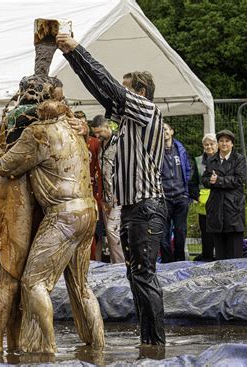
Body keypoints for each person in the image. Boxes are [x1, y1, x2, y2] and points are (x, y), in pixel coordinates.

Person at [56, 34, 167, 345]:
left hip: (147, 205)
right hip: (134, 207)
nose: (120, 97)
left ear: (141, 93)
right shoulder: (129, 120)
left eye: (127, 89)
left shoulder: (145, 110)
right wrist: (70, 57)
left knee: (143, 275)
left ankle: (156, 344)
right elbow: (101, 89)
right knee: (135, 276)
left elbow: (108, 84)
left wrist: (78, 48)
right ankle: (148, 343)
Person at [0, 99, 105, 353]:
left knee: (33, 282)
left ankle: (47, 347)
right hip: (88, 212)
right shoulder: (75, 129)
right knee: (82, 286)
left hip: (63, 215)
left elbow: (4, 166)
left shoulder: (37, 133)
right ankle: (98, 344)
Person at [0, 75, 61, 354]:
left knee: (16, 286)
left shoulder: (24, 120)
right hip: (15, 208)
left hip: (26, 207)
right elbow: (6, 168)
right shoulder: (24, 117)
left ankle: (11, 349)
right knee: (9, 284)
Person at [201, 130, 246, 260]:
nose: (224, 143)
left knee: (235, 255)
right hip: (216, 208)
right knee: (220, 255)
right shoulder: (211, 160)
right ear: (218, 143)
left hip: (233, 208)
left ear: (232, 144)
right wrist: (210, 180)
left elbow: (238, 180)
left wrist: (219, 180)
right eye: (221, 141)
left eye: (227, 141)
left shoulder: (239, 159)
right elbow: (204, 179)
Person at [90, 114, 124, 263]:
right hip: (105, 196)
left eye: (99, 132)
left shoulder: (120, 142)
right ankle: (115, 262)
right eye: (95, 133)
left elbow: (125, 169)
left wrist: (120, 192)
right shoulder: (102, 144)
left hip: (119, 195)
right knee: (110, 235)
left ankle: (121, 265)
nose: (97, 135)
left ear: (107, 126)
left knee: (113, 230)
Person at [74, 110, 104, 261]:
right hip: (74, 193)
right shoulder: (69, 141)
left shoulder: (94, 142)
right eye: (77, 121)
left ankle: (95, 261)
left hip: (92, 193)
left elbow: (101, 167)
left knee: (95, 232)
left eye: (83, 122)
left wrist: (100, 194)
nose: (81, 125)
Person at [160, 123, 191, 262]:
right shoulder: (156, 151)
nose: (164, 132)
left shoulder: (180, 149)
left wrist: (186, 192)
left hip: (180, 197)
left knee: (180, 231)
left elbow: (189, 170)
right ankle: (167, 261)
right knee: (163, 233)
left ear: (171, 131)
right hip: (164, 198)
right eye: (161, 130)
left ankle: (180, 261)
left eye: (165, 129)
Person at [188, 133, 218, 261]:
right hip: (204, 204)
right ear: (203, 146)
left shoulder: (223, 159)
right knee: (206, 234)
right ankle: (207, 259)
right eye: (206, 144)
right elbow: (192, 183)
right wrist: (198, 197)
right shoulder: (198, 161)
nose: (209, 146)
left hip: (220, 202)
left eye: (212, 144)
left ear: (216, 145)